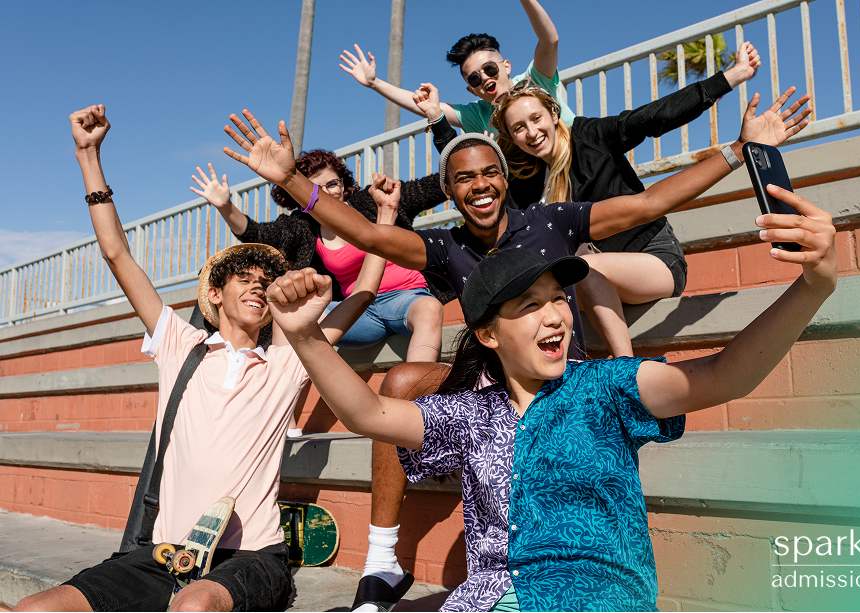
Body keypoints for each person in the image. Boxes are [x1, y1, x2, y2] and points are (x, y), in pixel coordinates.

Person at [221, 88, 808, 610]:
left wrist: (737, 151)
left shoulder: (551, 222)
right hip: (483, 386)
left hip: (559, 381)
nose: (479, 186)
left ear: (506, 175)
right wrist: (289, 181)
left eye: (488, 173)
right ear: (449, 191)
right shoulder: (446, 244)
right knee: (398, 386)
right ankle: (381, 558)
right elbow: (371, 235)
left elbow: (648, 207)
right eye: (464, 179)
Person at [14, 105, 387, 613]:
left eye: (265, 279)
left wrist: (382, 220)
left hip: (252, 557)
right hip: (165, 555)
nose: (258, 282)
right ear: (214, 294)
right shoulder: (179, 345)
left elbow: (364, 291)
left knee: (193, 606)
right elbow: (117, 254)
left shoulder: (287, 358)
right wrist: (88, 155)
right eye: (244, 277)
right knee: (36, 609)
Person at [415, 42, 763, 356]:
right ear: (512, 138)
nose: (532, 133)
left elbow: (656, 116)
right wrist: (437, 120)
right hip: (592, 279)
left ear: (553, 114)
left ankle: (624, 366)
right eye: (519, 128)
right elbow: (468, 172)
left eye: (536, 119)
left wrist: (730, 77)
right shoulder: (527, 180)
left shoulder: (591, 136)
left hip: (650, 258)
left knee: (581, 268)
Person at [191, 153, 446, 436]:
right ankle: (281, 414)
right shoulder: (304, 225)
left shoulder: (369, 203)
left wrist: (451, 137)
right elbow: (256, 232)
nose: (327, 192)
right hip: (359, 313)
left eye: (333, 183)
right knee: (290, 319)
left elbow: (434, 186)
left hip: (407, 298)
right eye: (316, 188)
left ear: (343, 183)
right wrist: (226, 206)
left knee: (430, 309)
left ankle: (419, 406)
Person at [340, 0, 574, 134]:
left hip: (582, 168)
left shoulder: (534, 82)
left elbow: (550, 41)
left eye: (490, 69)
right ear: (471, 90)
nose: (484, 78)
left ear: (507, 66)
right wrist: (374, 83)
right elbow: (425, 106)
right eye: (474, 79)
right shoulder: (479, 114)